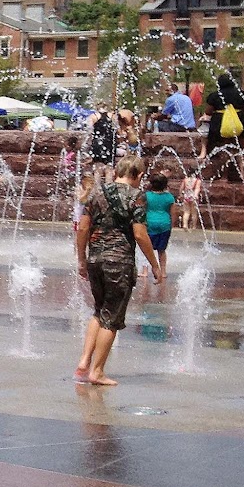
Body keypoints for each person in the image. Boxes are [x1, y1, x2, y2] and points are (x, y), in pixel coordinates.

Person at [74, 156, 162, 386]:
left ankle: (84, 361)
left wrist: (82, 259)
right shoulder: (136, 196)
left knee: (99, 310)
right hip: (119, 262)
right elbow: (140, 234)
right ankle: (97, 371)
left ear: (117, 172)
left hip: (95, 259)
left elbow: (82, 228)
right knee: (111, 318)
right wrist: (154, 264)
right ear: (139, 175)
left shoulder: (95, 192)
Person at [142, 173, 177, 275]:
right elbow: (173, 213)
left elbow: (141, 210)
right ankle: (163, 271)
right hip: (164, 225)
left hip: (149, 224)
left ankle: (145, 271)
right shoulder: (169, 197)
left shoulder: (146, 196)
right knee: (162, 250)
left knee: (146, 249)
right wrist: (171, 225)